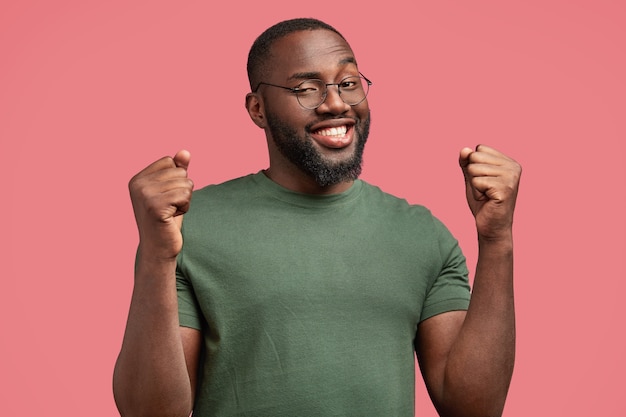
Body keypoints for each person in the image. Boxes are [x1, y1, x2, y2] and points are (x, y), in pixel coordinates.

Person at [113, 18, 521, 417]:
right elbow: (148, 411)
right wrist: (156, 256)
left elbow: (474, 408)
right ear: (258, 109)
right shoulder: (189, 228)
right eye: (306, 89)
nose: (336, 103)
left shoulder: (423, 234)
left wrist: (497, 239)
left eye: (349, 83)